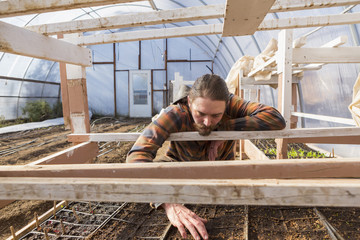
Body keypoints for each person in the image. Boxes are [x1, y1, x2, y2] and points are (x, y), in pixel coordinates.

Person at [126, 74, 286, 240]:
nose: (208, 123)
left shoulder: (232, 105)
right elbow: (137, 154)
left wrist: (225, 128)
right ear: (189, 102)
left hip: (222, 174)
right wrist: (166, 201)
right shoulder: (175, 114)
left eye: (216, 115)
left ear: (226, 106)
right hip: (181, 174)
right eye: (200, 113)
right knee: (156, 169)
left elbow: (276, 119)